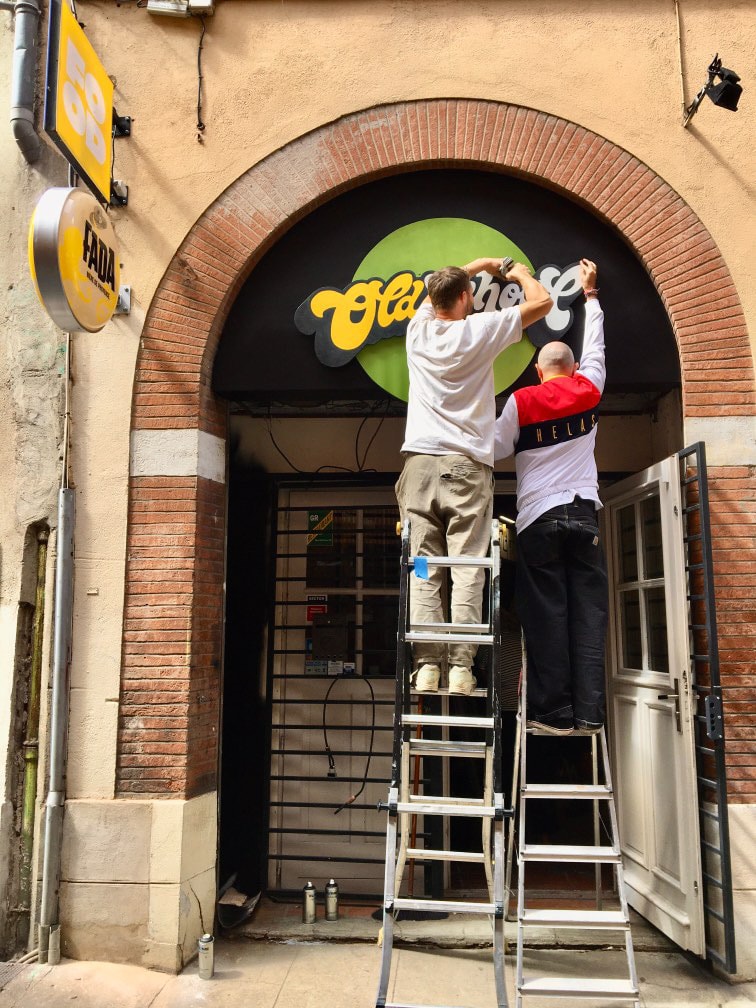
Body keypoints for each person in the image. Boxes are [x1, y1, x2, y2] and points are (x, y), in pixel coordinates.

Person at [396, 258, 553, 695]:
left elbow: (438, 291)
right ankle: (461, 669)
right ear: (466, 297)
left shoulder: (417, 330)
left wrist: (475, 266)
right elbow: (543, 303)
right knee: (466, 566)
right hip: (465, 469)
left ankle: (427, 666)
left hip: (419, 469)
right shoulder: (479, 330)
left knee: (424, 568)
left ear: (434, 298)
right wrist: (513, 271)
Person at [494, 258, 606, 734]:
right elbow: (596, 347)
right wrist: (591, 297)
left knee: (546, 614)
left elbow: (495, 448)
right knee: (587, 615)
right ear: (572, 368)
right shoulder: (590, 387)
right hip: (583, 513)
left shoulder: (522, 401)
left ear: (539, 371)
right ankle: (590, 714)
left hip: (538, 518)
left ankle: (554, 714)